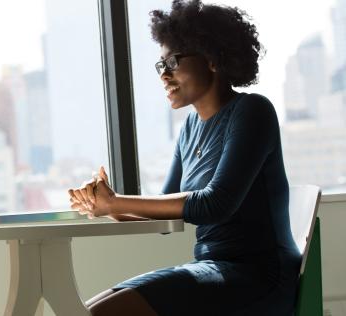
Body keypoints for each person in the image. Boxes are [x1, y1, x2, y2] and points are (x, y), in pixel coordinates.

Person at [68, 1, 301, 315]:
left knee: (103, 313)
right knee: (86, 310)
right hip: (212, 269)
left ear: (212, 59)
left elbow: (215, 204)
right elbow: (167, 216)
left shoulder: (252, 111)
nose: (164, 75)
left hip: (259, 278)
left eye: (173, 62)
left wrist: (117, 202)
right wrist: (104, 206)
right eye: (160, 65)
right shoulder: (189, 128)